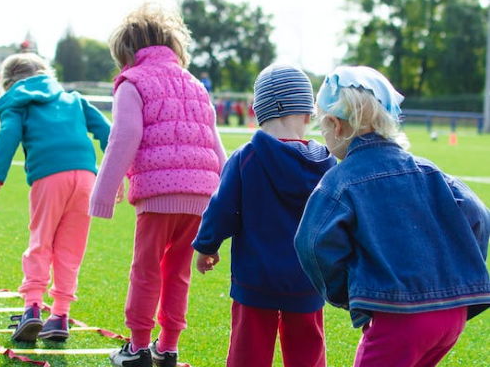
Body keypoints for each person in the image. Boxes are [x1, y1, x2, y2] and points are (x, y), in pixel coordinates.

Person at [294, 65, 490, 367]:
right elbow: (478, 214)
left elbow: (312, 242)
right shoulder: (429, 170)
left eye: (322, 126)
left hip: (400, 316)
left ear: (335, 124)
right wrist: (458, 268)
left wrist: (346, 293)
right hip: (452, 315)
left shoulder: (340, 181)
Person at [89, 2, 227, 367]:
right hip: (201, 195)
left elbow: (125, 136)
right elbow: (215, 143)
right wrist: (226, 200)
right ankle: (167, 347)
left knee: (146, 269)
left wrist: (103, 193)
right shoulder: (195, 84)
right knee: (177, 273)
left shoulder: (132, 82)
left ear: (127, 52)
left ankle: (136, 348)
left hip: (158, 193)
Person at [193, 63, 337, 367]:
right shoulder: (327, 165)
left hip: (255, 279)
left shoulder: (246, 158)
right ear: (308, 114)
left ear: (258, 111)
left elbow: (221, 209)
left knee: (249, 352)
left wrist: (207, 246)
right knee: (307, 352)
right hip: (307, 279)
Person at [0, 52, 111, 342]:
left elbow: (7, 138)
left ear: (8, 83)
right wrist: (115, 174)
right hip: (86, 176)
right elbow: (108, 131)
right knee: (71, 248)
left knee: (41, 241)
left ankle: (32, 308)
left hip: (49, 177)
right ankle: (59, 315)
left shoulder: (18, 103)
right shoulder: (74, 99)